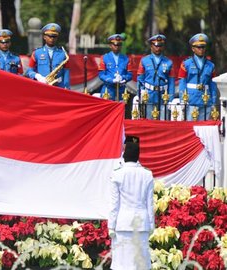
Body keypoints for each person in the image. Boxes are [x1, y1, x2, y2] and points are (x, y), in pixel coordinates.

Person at [108, 139, 154, 270]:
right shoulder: (147, 174)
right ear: (138, 156)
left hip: (123, 224)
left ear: (124, 154)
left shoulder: (117, 174)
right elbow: (149, 203)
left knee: (122, 265)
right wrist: (151, 225)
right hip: (141, 224)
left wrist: (111, 226)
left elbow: (114, 204)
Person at [178, 33, 218, 121]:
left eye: (203, 47)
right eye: (198, 47)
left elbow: (213, 85)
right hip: (191, 100)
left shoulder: (211, 65)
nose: (201, 49)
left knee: (205, 128)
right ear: (193, 49)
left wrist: (214, 101)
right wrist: (182, 100)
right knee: (191, 127)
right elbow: (182, 83)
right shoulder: (186, 64)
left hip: (206, 100)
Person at [136, 34, 175, 120]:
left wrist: (170, 99)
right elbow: (140, 79)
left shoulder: (169, 62)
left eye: (160, 46)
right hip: (148, 95)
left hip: (163, 96)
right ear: (151, 46)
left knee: (163, 122)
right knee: (148, 121)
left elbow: (171, 82)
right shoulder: (144, 60)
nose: (158, 48)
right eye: (156, 46)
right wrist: (140, 94)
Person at [26, 23, 70, 89]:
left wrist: (67, 88)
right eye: (49, 36)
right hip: (42, 87)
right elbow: (29, 71)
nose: (52, 39)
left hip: (59, 88)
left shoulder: (63, 54)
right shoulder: (37, 53)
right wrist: (37, 76)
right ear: (44, 37)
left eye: (54, 36)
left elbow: (66, 73)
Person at [98, 34, 133, 101]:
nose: (117, 47)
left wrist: (123, 78)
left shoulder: (126, 58)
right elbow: (101, 75)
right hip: (108, 89)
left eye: (119, 45)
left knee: (121, 110)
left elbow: (130, 74)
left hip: (121, 90)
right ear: (110, 45)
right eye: (115, 45)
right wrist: (112, 80)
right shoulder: (104, 58)